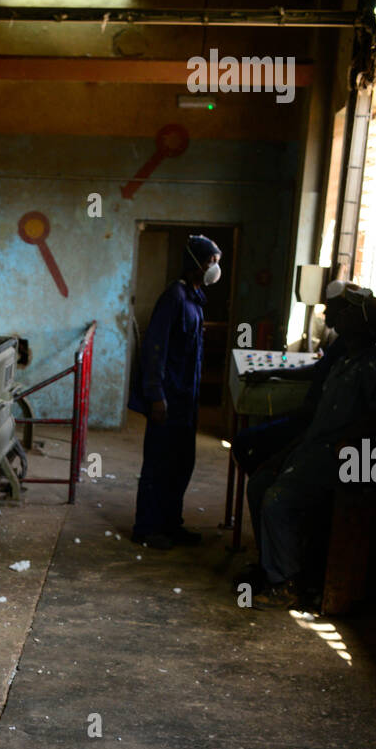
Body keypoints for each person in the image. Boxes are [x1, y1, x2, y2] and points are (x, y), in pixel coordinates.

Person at [245, 286, 376, 607]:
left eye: (349, 312)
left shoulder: (372, 366)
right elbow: (319, 419)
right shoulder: (344, 358)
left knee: (278, 501)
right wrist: (284, 454)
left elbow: (375, 420)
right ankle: (272, 566)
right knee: (260, 483)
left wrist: (349, 445)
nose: (341, 315)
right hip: (314, 447)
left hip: (343, 457)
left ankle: (286, 583)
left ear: (363, 324)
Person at [130, 234, 222, 550]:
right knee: (158, 464)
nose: (215, 267)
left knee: (181, 465)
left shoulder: (195, 298)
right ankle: (146, 527)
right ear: (196, 263)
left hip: (186, 401)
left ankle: (171, 523)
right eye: (211, 261)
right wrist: (156, 396)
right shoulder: (174, 298)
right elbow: (155, 349)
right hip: (167, 400)